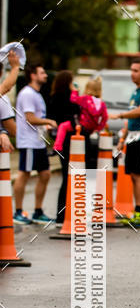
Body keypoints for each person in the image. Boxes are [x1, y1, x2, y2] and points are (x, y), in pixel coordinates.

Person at [108, 61, 140, 229]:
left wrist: (120, 115)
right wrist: (122, 140)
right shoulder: (136, 92)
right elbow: (132, 121)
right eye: (131, 70)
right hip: (133, 138)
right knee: (133, 175)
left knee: (139, 174)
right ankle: (136, 212)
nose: (132, 73)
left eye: (136, 71)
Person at [13, 64, 57, 225]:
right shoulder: (27, 94)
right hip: (28, 141)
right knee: (24, 173)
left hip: (38, 142)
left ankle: (38, 211)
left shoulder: (37, 94)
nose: (45, 75)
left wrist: (45, 127)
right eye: (42, 72)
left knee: (45, 174)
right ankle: (17, 211)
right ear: (33, 75)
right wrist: (48, 121)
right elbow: (30, 118)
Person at [48, 70, 80, 224]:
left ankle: (61, 214)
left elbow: (52, 119)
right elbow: (76, 116)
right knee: (72, 176)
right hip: (72, 141)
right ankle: (71, 213)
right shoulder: (71, 99)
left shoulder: (53, 98)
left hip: (60, 142)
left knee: (66, 177)